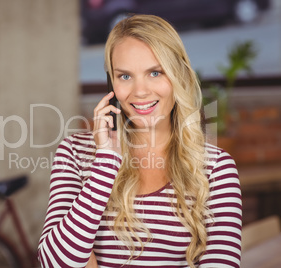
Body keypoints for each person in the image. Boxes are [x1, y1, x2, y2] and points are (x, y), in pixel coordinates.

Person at [38, 14, 242, 268]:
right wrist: (106, 162)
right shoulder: (74, 154)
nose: (140, 91)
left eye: (155, 72)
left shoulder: (216, 167)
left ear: (178, 76)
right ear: (110, 82)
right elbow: (54, 262)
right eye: (124, 76)